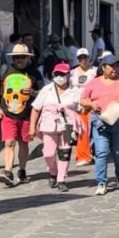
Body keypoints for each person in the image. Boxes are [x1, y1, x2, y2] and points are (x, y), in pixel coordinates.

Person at [80, 54, 119, 195]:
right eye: (111, 66)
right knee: (101, 152)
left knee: (118, 153)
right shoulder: (94, 82)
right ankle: (101, 182)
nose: (115, 69)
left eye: (117, 66)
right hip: (100, 122)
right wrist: (91, 104)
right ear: (103, 67)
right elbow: (82, 100)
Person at [0, 44, 44, 187]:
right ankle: (8, 171)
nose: (19, 60)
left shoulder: (34, 73)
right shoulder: (5, 70)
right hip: (8, 114)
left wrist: (33, 93)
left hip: (26, 115)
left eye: (22, 57)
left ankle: (22, 170)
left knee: (24, 143)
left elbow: (43, 92)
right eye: (16, 57)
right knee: (9, 142)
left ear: (28, 58)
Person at [29, 63, 82, 193]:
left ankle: (61, 179)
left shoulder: (75, 91)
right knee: (48, 153)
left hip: (68, 125)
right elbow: (36, 109)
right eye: (57, 74)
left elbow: (81, 108)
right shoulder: (47, 90)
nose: (60, 77)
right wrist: (32, 128)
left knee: (65, 152)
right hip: (49, 124)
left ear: (68, 75)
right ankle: (53, 172)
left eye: (62, 74)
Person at [69, 48, 96, 166]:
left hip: (89, 104)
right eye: (80, 58)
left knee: (88, 130)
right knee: (78, 130)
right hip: (75, 104)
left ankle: (86, 154)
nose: (83, 60)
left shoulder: (94, 71)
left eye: (85, 57)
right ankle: (82, 154)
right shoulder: (72, 72)